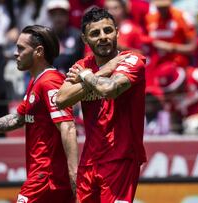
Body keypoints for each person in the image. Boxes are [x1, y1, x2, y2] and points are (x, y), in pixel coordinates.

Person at [0, 25, 78, 203]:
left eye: (21, 48)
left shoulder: (50, 82)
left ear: (39, 51)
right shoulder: (36, 81)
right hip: (46, 177)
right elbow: (17, 119)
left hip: (46, 178)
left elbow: (67, 126)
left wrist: (73, 172)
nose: (16, 53)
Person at [56, 7, 146, 202]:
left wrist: (87, 77)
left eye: (108, 31)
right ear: (85, 40)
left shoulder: (132, 60)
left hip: (121, 159)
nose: (103, 37)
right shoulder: (83, 65)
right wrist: (102, 71)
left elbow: (110, 89)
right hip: (89, 161)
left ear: (117, 32)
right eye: (95, 33)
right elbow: (61, 100)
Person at [154, 62, 198, 135]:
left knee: (194, 125)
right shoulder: (167, 96)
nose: (171, 93)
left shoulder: (195, 74)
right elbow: (173, 117)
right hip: (185, 126)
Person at [145, 0, 197, 67]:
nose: (162, 10)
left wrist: (170, 47)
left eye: (165, 7)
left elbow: (192, 47)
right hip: (156, 64)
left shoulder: (182, 17)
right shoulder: (150, 19)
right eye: (159, 7)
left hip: (177, 64)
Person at [47, 0, 85, 73]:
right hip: (50, 80)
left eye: (62, 14)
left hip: (73, 79)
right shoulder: (45, 37)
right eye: (54, 14)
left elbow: (83, 60)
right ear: (49, 16)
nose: (58, 18)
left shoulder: (77, 36)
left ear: (67, 15)